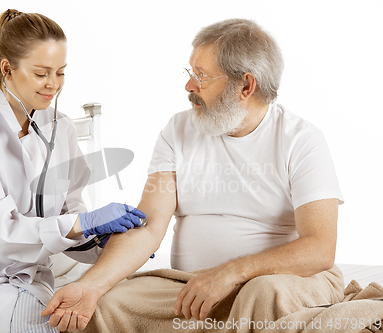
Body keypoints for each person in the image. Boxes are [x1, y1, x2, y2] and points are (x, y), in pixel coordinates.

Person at [42, 18, 345, 332]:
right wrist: (92, 285)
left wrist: (231, 273)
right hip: (192, 286)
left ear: (246, 86)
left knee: (261, 295)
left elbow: (320, 247)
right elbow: (149, 227)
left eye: (201, 76)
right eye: (190, 72)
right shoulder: (178, 130)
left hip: (284, 282)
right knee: (103, 307)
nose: (189, 86)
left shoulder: (301, 139)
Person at [0, 9, 145, 333]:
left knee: (113, 314)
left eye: (60, 72)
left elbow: (69, 211)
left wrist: (104, 241)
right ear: (7, 68)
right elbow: (6, 234)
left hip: (27, 277)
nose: (54, 85)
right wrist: (83, 224)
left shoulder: (60, 128)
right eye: (42, 73)